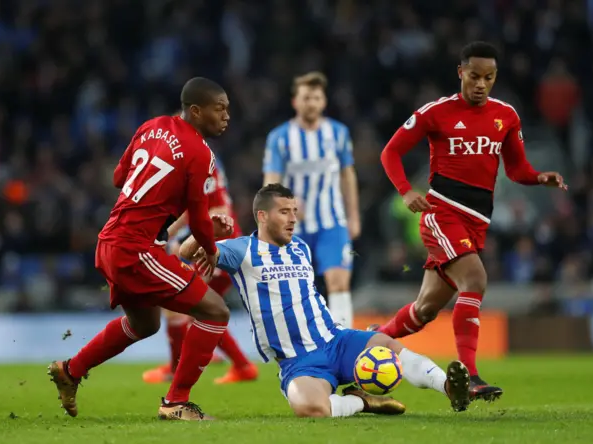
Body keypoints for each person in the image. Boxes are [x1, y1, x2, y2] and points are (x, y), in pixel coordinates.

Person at [375, 41, 567, 401]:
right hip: (441, 214)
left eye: (489, 77)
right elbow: (391, 152)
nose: (481, 84)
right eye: (475, 76)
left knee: (425, 309)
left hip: (476, 222)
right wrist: (404, 191)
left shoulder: (506, 116)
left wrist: (540, 178)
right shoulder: (437, 112)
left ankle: (372, 338)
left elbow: (516, 169)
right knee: (476, 278)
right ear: (461, 73)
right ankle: (471, 376)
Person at [181, 184, 472, 418]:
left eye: (294, 211)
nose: (293, 218)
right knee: (311, 409)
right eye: (284, 212)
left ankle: (448, 387)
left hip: (336, 340)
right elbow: (185, 252)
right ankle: (363, 403)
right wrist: (205, 230)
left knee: (390, 346)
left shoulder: (300, 247)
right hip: (300, 361)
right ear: (263, 216)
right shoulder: (241, 250)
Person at [48, 77, 235, 421]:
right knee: (215, 310)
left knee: (145, 323)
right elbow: (197, 215)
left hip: (110, 241)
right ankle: (176, 402)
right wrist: (209, 246)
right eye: (219, 108)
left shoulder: (150, 127)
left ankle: (71, 370)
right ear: (196, 111)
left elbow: (120, 178)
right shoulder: (200, 152)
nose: (227, 116)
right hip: (136, 249)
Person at [142, 155, 258, 385]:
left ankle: (236, 366)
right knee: (193, 308)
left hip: (216, 248)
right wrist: (166, 235)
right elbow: (192, 209)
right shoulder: (198, 163)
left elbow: (218, 208)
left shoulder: (201, 162)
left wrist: (180, 238)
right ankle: (226, 363)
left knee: (192, 306)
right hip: (218, 244)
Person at [263, 72, 360, 328]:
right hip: (293, 227)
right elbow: (270, 182)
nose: (311, 103)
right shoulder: (280, 138)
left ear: (324, 101)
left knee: (339, 283)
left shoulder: (338, 133)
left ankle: (344, 345)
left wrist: (353, 216)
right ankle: (298, 349)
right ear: (295, 101)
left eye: (316, 97)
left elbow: (347, 175)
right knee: (295, 289)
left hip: (332, 222)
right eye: (306, 97)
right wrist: (283, 206)